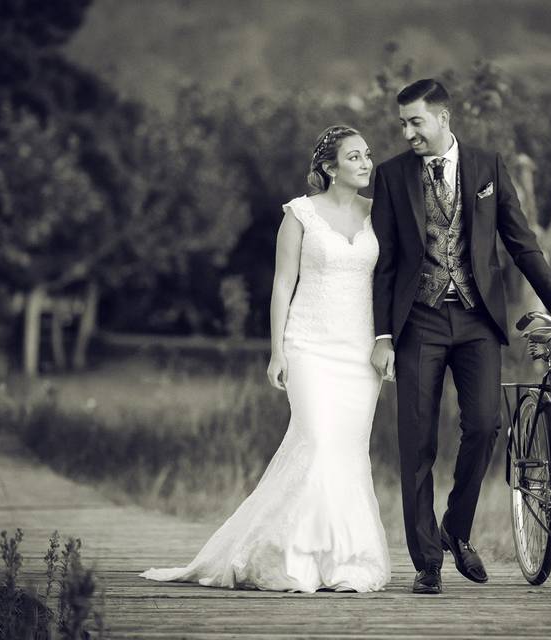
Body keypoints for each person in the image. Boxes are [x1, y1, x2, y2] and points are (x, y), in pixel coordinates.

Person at [370, 79, 551, 594]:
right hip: (418, 321)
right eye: (402, 124)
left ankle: (456, 528)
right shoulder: (390, 177)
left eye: (416, 122)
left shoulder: (488, 166)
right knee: (417, 440)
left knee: (486, 425)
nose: (407, 133)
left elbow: (522, 242)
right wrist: (383, 335)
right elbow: (384, 266)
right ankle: (427, 562)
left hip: (477, 320)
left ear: (443, 117)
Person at [141, 126, 390, 592]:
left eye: (367, 155)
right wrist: (277, 349)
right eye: (353, 157)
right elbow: (282, 285)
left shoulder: (380, 215)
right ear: (329, 168)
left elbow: (393, 279)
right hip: (309, 345)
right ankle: (294, 559)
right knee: (317, 440)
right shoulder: (300, 214)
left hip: (360, 353)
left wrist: (386, 339)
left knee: (348, 451)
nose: (365, 163)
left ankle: (344, 563)